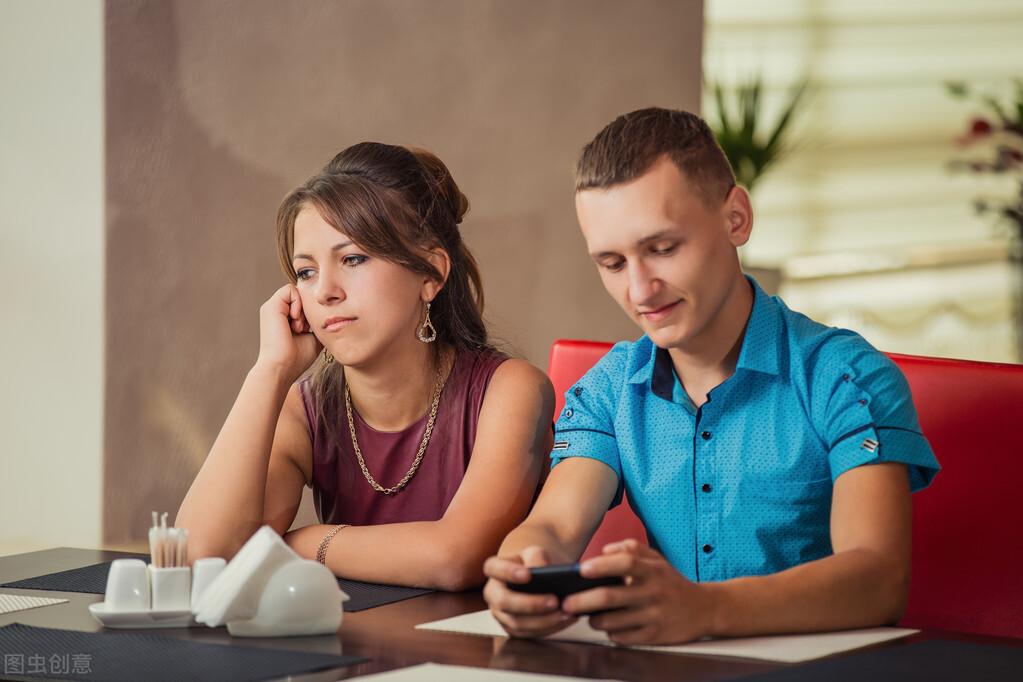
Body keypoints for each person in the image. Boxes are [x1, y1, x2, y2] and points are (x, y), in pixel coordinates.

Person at [483, 108, 940, 643]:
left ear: (736, 219)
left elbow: (878, 580)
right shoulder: (609, 388)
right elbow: (554, 528)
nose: (640, 290)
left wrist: (705, 610)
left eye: (663, 249)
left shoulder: (846, 376)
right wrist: (518, 576)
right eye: (612, 263)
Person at [177, 142, 553, 591]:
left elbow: (456, 559)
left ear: (431, 275)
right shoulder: (306, 409)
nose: (324, 292)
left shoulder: (509, 390)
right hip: (347, 653)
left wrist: (302, 544)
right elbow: (201, 555)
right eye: (306, 272)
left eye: (352, 259)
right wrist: (270, 371)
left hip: (474, 655)